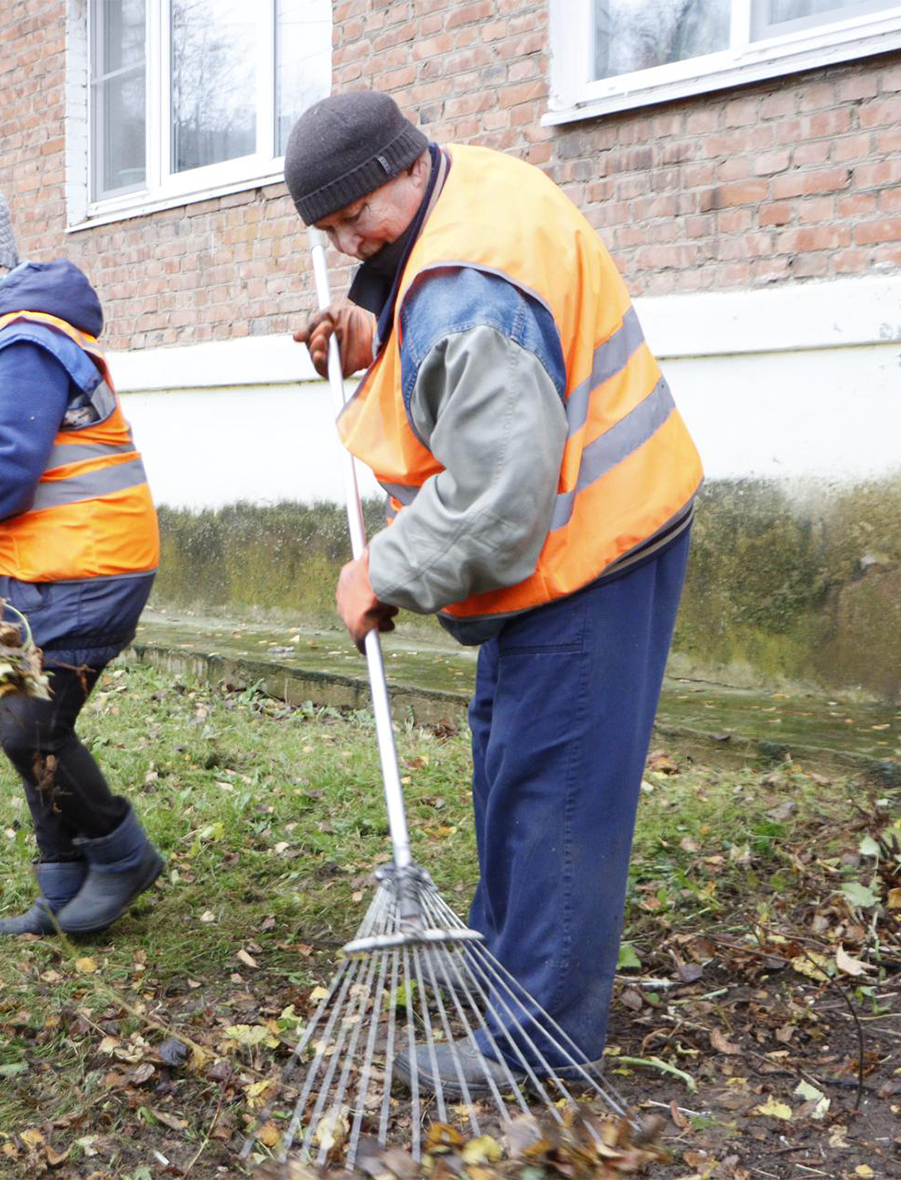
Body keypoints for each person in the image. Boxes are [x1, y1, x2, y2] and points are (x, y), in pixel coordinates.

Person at [283, 92, 703, 1087]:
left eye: (355, 220)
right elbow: (452, 356)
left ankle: (536, 1043)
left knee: (555, 791)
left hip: (591, 552)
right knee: (510, 760)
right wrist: (374, 331)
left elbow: (497, 504)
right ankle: (509, 967)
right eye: (331, 233)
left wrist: (380, 570)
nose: (350, 244)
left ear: (404, 166)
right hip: (587, 535)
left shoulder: (468, 296)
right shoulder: (464, 189)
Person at [0, 185, 163, 937]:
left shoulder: (21, 340)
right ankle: (61, 882)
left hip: (85, 569)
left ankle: (121, 856)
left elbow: (12, 470)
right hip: (24, 566)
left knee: (30, 725)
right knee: (11, 718)